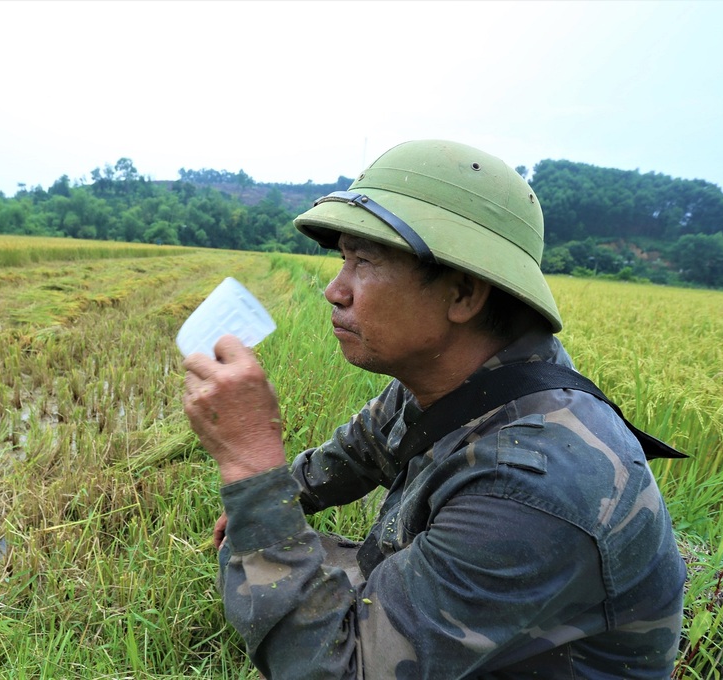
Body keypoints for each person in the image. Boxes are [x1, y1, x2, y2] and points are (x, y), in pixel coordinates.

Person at [181, 140, 686, 679]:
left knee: (274, 569)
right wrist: (283, 498)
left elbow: (339, 672)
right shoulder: (457, 376)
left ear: (463, 293)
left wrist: (253, 466)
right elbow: (360, 450)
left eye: (365, 262)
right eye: (343, 258)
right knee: (263, 549)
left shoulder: (531, 487)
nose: (335, 290)